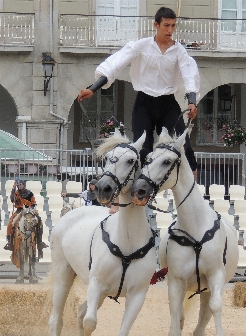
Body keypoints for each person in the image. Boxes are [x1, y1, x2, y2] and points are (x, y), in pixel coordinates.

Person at [77, 6, 200, 177]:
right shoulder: (141, 46)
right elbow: (116, 65)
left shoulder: (179, 51)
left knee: (184, 145)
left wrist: (192, 101)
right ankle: (140, 192)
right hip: (144, 103)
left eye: (173, 26)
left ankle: (194, 190)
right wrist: (93, 88)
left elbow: (189, 75)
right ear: (156, 25)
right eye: (166, 25)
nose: (170, 30)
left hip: (168, 103)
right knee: (143, 148)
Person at [4, 180, 48, 251]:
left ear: (24, 185)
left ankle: (40, 242)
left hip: (30, 210)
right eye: (18, 185)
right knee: (10, 223)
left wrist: (32, 210)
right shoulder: (16, 193)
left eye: (20, 184)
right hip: (20, 211)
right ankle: (10, 243)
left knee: (40, 222)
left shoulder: (29, 193)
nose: (19, 186)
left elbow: (33, 203)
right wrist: (13, 188)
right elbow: (12, 199)